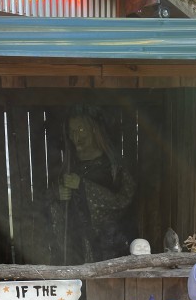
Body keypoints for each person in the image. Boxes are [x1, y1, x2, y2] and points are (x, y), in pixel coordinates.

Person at [57, 105, 137, 264]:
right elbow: (48, 205)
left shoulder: (114, 167)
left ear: (94, 129)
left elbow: (123, 201)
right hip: (76, 249)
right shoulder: (68, 165)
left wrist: (83, 186)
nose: (76, 137)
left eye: (81, 130)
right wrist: (58, 195)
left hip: (108, 248)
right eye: (72, 131)